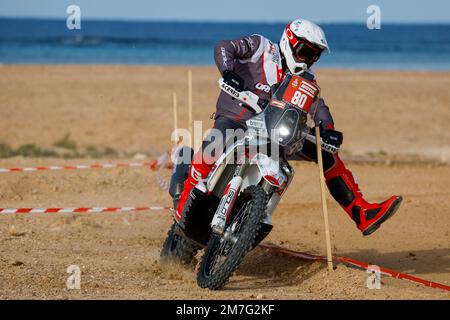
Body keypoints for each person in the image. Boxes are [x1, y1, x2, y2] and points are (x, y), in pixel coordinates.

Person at [170, 19, 402, 237]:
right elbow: (224, 47)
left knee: (328, 154)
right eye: (305, 51)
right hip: (237, 117)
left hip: (275, 134)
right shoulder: (261, 47)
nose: (307, 60)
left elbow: (318, 106)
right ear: (289, 40)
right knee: (214, 144)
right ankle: (183, 207)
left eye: (314, 56)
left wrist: (327, 128)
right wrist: (229, 72)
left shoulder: (305, 80)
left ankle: (361, 212)